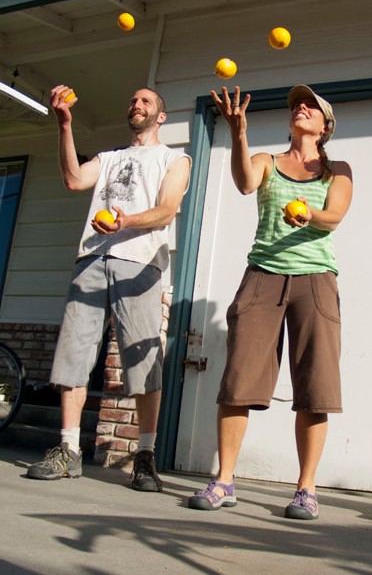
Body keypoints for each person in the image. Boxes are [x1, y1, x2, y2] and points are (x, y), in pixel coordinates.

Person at [187, 84, 353, 520]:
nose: (302, 107)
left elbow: (334, 216)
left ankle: (306, 489)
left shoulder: (338, 169)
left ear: (325, 124)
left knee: (316, 387)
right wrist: (238, 131)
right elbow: (244, 183)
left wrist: (309, 214)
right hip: (262, 276)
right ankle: (224, 480)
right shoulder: (268, 161)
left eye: (312, 105)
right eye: (297, 104)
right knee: (238, 380)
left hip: (316, 281)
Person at [26, 85, 191, 492]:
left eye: (146, 101)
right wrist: (64, 124)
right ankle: (68, 450)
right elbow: (73, 179)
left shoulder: (175, 158)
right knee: (74, 353)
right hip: (91, 259)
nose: (137, 105)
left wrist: (125, 222)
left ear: (161, 116)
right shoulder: (110, 157)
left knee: (142, 358)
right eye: (133, 100)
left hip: (139, 263)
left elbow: (168, 209)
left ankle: (146, 456)